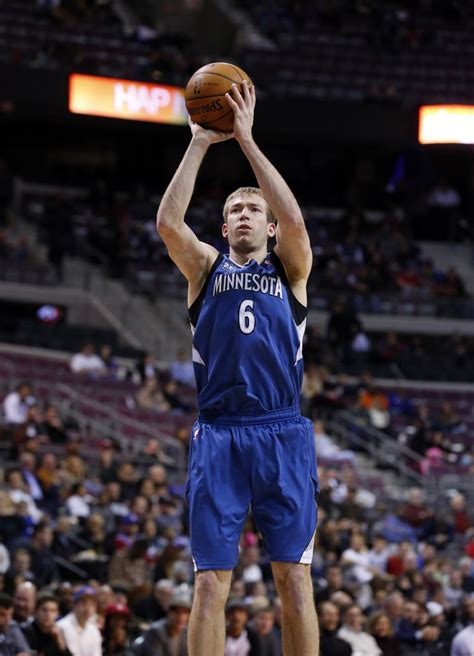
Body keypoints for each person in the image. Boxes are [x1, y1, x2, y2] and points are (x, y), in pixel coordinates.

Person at [156, 79, 318, 656]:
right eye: (235, 210)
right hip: (219, 432)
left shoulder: (289, 269)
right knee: (208, 584)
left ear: (268, 227)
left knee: (293, 579)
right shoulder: (204, 269)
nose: (245, 215)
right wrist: (200, 143)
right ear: (223, 229)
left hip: (281, 429)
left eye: (254, 209)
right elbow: (169, 225)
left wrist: (246, 141)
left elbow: (297, 222)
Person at [132, 590, 191, 655]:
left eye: (185, 612)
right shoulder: (156, 631)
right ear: (168, 612)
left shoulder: (186, 632)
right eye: (176, 612)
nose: (180, 617)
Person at [56, 586, 102, 656]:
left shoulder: (94, 630)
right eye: (84, 603)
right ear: (74, 604)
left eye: (92, 604)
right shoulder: (62, 626)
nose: (88, 608)